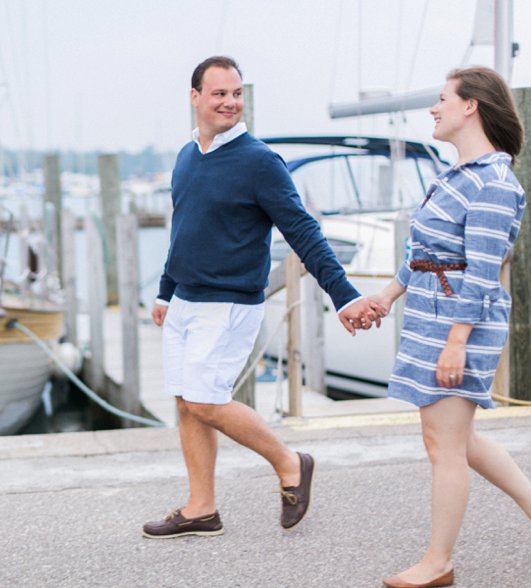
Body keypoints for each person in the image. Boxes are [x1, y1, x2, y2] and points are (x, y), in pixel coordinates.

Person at [141, 56, 380, 540]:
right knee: (188, 403)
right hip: (186, 301)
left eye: (236, 94)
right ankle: (201, 509)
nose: (230, 102)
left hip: (229, 304)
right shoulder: (188, 156)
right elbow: (183, 230)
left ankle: (290, 462)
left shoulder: (258, 160)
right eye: (219, 94)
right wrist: (166, 290)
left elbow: (304, 233)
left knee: (207, 400)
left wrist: (344, 295)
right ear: (195, 98)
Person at [364, 67, 531, 588]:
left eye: (441, 99)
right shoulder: (455, 175)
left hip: (461, 322)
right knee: (459, 437)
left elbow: (481, 274)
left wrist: (457, 344)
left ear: (471, 105)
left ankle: (439, 563)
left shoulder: (495, 183)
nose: (434, 109)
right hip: (432, 314)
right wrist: (387, 296)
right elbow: (425, 253)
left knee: (443, 444)